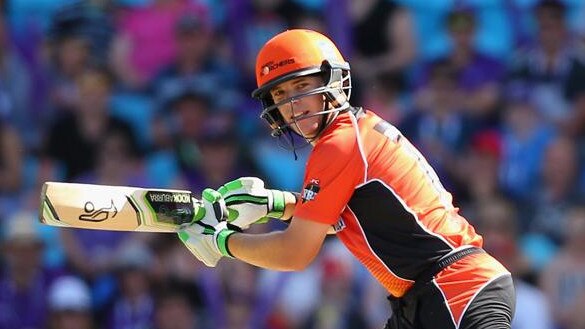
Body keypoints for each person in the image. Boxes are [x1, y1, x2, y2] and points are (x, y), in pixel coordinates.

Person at [178, 29, 515, 329]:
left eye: (301, 86)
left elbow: (294, 253)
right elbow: (347, 216)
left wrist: (221, 242)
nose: (293, 104)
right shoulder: (353, 132)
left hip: (456, 290)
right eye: (280, 95)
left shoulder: (339, 144)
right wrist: (274, 204)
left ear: (332, 82)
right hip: (432, 295)